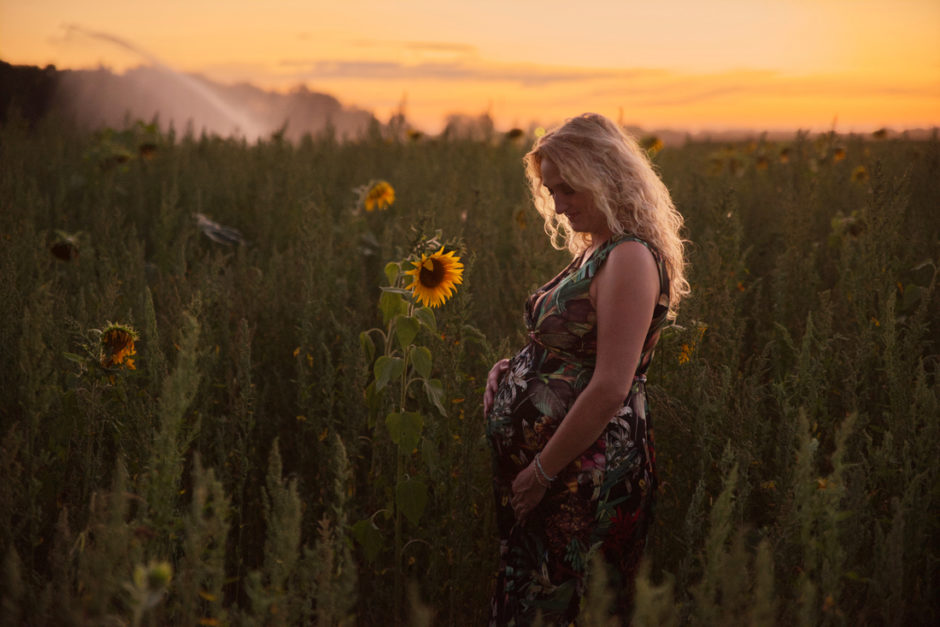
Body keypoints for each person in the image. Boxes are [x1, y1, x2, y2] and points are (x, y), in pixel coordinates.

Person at [483, 113, 689, 624]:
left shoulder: (631, 258)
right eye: (551, 191)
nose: (558, 205)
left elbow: (610, 386)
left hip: (583, 477)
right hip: (553, 472)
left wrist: (542, 471)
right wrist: (513, 372)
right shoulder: (595, 248)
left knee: (567, 605)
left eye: (569, 189)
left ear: (606, 177)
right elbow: (574, 349)